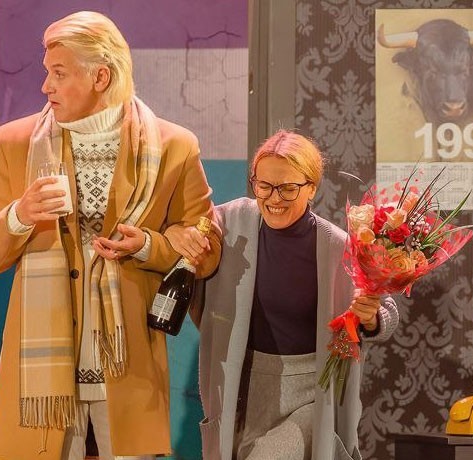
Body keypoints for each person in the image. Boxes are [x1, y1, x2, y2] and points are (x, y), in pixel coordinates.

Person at [0, 11, 221, 460]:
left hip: (127, 366)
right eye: (48, 72)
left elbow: (208, 251)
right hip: (42, 377)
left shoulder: (174, 146)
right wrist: (19, 215)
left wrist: (149, 246)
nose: (45, 86)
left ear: (100, 77)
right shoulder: (14, 143)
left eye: (59, 73)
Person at [168, 130, 400, 459]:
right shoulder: (228, 222)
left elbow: (386, 310)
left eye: (288, 188)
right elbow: (180, 229)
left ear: (312, 188)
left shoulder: (336, 246)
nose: (274, 199)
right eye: (264, 186)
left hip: (311, 393)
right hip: (241, 388)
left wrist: (372, 317)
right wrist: (175, 233)